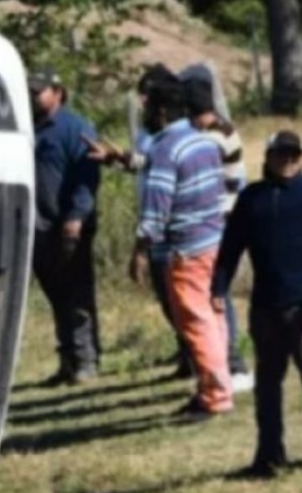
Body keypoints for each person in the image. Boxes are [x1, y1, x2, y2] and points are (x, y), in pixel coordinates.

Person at [213, 130, 302, 479]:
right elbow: (231, 247)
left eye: (294, 155)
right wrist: (219, 287)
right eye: (282, 154)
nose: (288, 161)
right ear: (269, 157)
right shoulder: (252, 199)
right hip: (266, 307)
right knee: (268, 384)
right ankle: (270, 457)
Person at [132, 77, 233, 420]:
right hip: (214, 241)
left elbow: (156, 208)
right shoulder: (201, 143)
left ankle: (215, 397)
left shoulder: (165, 149)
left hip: (186, 250)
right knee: (214, 316)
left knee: (195, 322)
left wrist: (141, 250)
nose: (144, 115)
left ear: (161, 112)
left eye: (147, 109)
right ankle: (217, 387)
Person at [88, 65, 195, 379]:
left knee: (181, 299)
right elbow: (147, 164)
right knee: (168, 299)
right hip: (159, 227)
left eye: (147, 96)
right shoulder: (154, 135)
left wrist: (140, 247)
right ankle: (187, 354)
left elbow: (163, 171)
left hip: (171, 229)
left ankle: (203, 362)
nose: (142, 102)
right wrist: (119, 158)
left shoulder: (172, 135)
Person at [29, 67, 103, 386]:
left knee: (77, 294)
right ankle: (68, 361)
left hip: (69, 225)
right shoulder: (28, 128)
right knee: (57, 295)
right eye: (30, 91)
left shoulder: (75, 127)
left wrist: (76, 216)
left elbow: (88, 175)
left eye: (38, 90)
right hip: (38, 226)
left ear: (57, 93)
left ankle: (87, 360)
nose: (32, 96)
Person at [182, 74, 254, 392]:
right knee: (215, 293)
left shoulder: (213, 138)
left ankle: (233, 363)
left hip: (221, 221)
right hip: (221, 219)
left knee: (218, 293)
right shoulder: (217, 130)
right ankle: (219, 360)